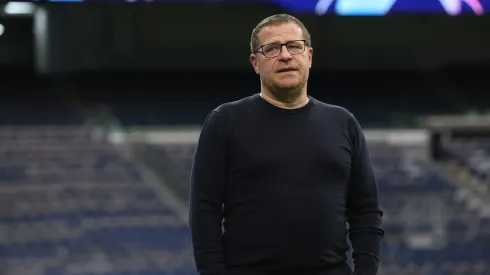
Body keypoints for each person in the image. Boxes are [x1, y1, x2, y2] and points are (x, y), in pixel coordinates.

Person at [189, 14, 384, 275]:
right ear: (255, 63)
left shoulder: (343, 123)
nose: (285, 55)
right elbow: (204, 213)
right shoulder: (225, 121)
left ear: (309, 56)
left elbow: (366, 211)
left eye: (294, 46)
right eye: (271, 48)